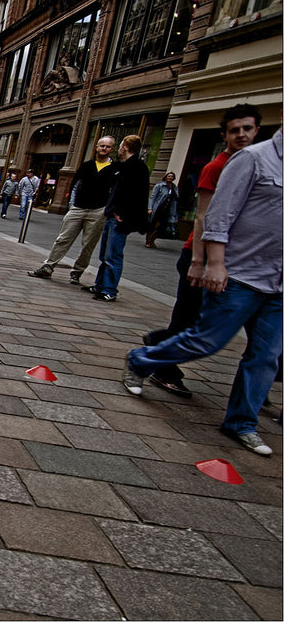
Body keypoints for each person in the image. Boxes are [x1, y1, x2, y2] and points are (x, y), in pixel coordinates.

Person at [123, 128, 282, 456]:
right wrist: (213, 263)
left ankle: (241, 422)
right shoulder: (253, 159)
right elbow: (217, 216)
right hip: (240, 274)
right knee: (206, 340)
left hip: (278, 283)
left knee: (266, 356)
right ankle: (141, 360)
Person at [142, 104, 262, 397]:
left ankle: (159, 339)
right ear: (225, 135)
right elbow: (202, 217)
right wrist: (198, 260)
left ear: (257, 131)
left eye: (248, 129)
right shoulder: (215, 167)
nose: (242, 135)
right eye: (235, 130)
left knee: (218, 322)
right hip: (201, 254)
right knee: (188, 318)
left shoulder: (257, 165)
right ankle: (162, 367)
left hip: (239, 259)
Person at [27, 136, 117, 284]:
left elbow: (114, 191)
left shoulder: (115, 169)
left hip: (98, 211)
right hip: (78, 208)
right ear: (96, 147)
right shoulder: (87, 166)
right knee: (63, 239)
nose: (104, 149)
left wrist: (106, 209)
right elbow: (75, 185)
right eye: (102, 146)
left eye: (107, 147)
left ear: (112, 149)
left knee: (88, 244)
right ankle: (48, 267)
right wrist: (72, 205)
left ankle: (77, 272)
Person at [83, 135, 149, 302]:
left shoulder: (137, 167)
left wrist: (123, 213)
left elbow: (137, 195)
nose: (119, 149)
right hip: (112, 214)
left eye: (120, 146)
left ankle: (109, 290)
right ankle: (100, 286)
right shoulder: (123, 166)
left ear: (125, 147)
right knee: (105, 254)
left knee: (113, 255)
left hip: (120, 218)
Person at [144, 171, 179, 248]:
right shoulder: (160, 186)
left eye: (172, 176)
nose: (170, 178)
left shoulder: (174, 187)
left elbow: (175, 200)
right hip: (158, 208)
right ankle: (148, 241)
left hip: (167, 210)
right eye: (169, 176)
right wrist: (150, 208)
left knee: (161, 227)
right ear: (166, 177)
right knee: (153, 225)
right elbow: (152, 197)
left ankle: (153, 240)